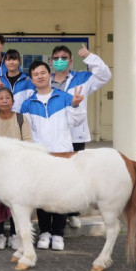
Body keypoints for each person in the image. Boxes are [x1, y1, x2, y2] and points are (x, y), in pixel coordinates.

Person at [21, 61, 85, 251]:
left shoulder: (65, 97)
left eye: (43, 73)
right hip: (41, 156)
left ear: (50, 75)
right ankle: (44, 232)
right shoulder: (27, 103)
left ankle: (58, 233)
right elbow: (28, 132)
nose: (40, 76)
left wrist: (75, 105)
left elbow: (76, 122)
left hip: (63, 154)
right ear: (31, 79)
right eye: (35, 74)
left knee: (62, 194)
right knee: (41, 196)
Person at [50, 44, 112, 228]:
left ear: (70, 61)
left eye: (63, 58)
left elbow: (105, 75)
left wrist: (89, 56)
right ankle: (53, 209)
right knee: (54, 175)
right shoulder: (47, 79)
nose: (59, 61)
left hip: (75, 135)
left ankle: (72, 212)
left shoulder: (82, 78)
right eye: (56, 58)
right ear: (51, 61)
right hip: (53, 135)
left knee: (74, 176)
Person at [0, 87, 32, 250]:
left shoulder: (21, 119)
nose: (4, 101)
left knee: (16, 203)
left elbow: (27, 142)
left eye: (7, 98)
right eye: (1, 98)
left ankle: (14, 235)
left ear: (13, 100)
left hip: (18, 168)